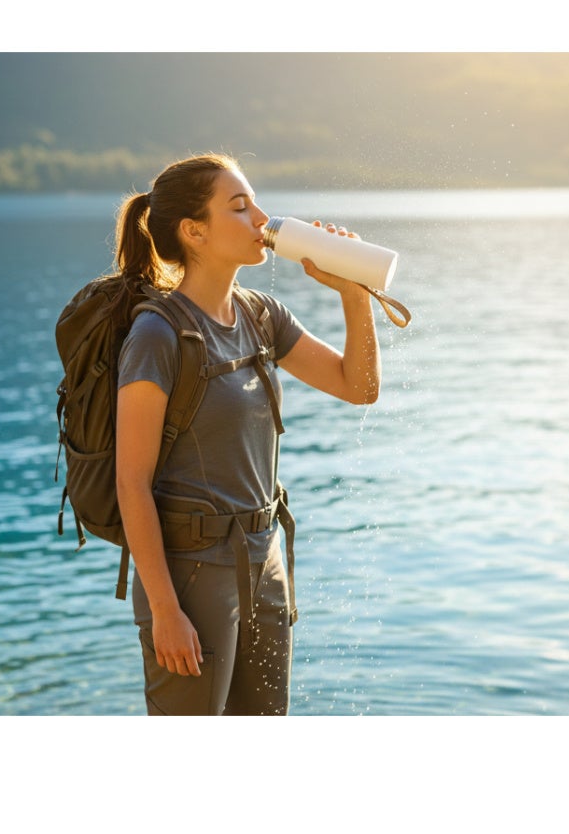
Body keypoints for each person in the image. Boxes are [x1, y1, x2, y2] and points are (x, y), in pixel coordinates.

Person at [114, 153, 381, 715]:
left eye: (256, 202)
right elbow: (131, 483)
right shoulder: (157, 335)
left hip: (265, 563)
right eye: (239, 207)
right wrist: (165, 611)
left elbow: (359, 388)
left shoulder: (262, 316)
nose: (262, 218)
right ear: (194, 232)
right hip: (192, 575)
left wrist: (354, 295)